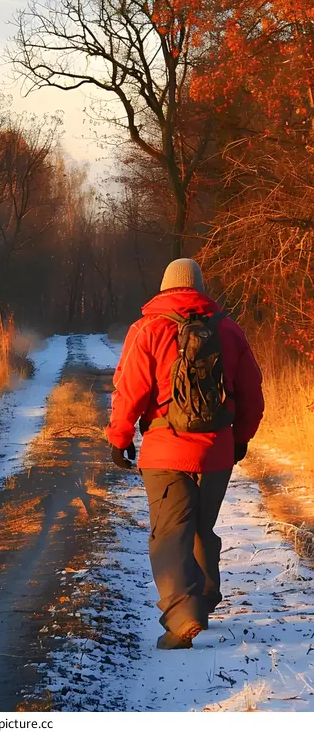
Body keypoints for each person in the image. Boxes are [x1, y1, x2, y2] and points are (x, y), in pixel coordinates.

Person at [105, 258, 264, 649]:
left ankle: (182, 617)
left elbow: (130, 391)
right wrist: (240, 438)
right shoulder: (228, 330)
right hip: (216, 452)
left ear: (164, 287)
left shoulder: (147, 329)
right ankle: (204, 602)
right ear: (200, 287)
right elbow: (252, 394)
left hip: (164, 450)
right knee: (201, 529)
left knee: (170, 534)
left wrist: (119, 437)